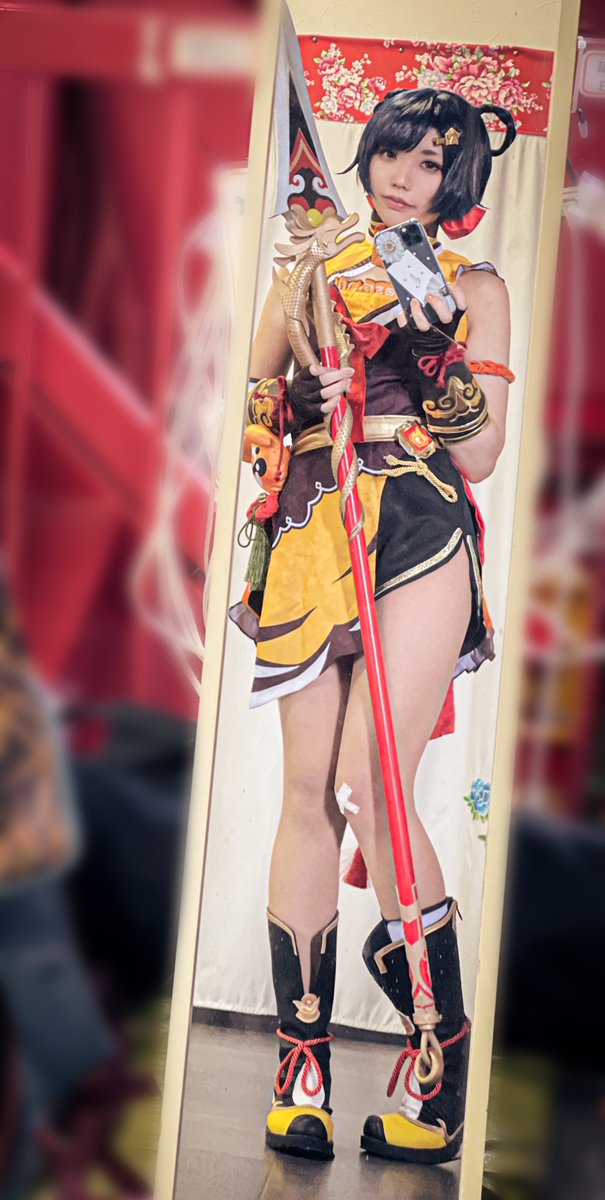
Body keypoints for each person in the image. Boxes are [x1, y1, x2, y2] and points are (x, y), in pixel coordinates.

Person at [231, 87, 516, 1164]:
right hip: (312, 518)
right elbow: (252, 400)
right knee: (309, 791)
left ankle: (437, 1065)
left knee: (370, 783)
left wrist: (436, 356)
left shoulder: (474, 287)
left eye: (429, 163)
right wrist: (290, 378)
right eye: (392, 153)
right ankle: (299, 1064)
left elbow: (480, 454)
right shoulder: (308, 266)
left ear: (455, 181)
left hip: (417, 521)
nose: (403, 176)